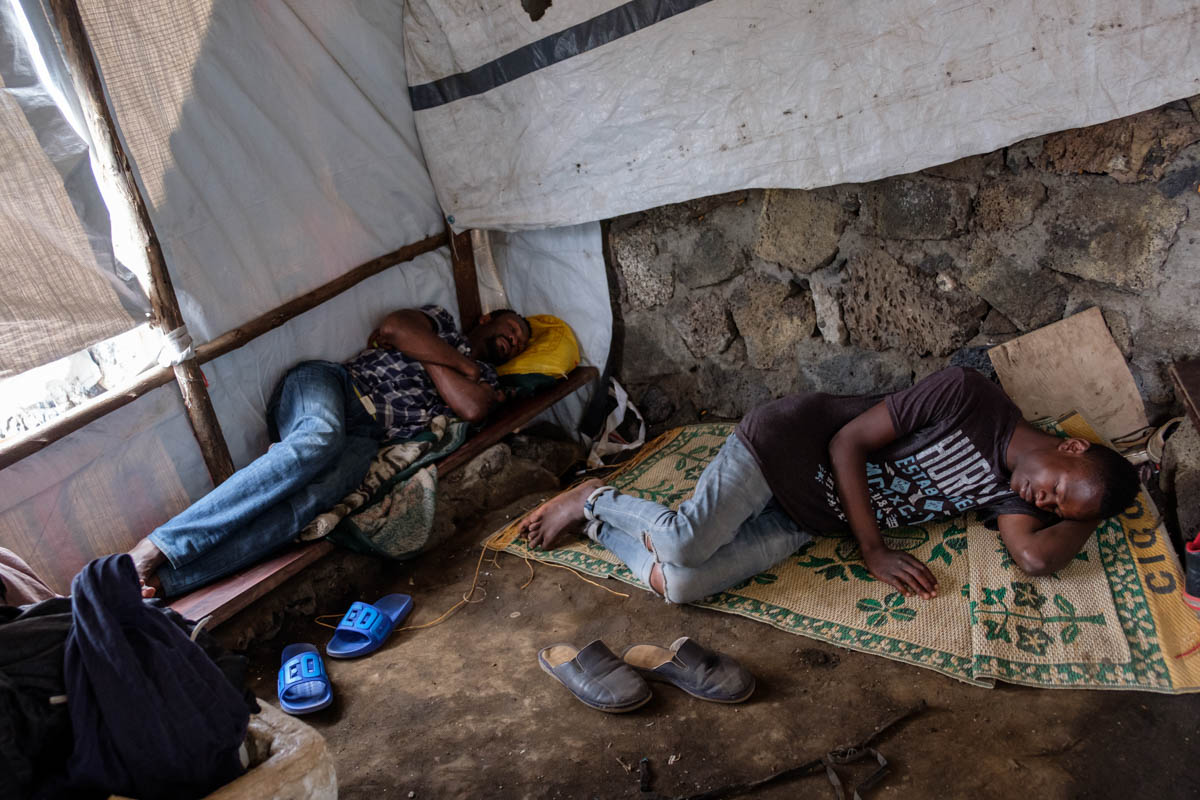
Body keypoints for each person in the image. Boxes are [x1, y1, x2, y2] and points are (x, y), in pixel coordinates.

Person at [522, 367, 1141, 605]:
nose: (1043, 502)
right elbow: (847, 442)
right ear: (1072, 445)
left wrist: (1089, 511)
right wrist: (872, 549)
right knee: (683, 543)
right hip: (782, 449)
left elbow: (1033, 557)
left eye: (1057, 509)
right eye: (1060, 487)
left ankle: (600, 525)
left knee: (681, 586)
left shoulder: (1011, 496)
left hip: (807, 519)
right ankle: (594, 495)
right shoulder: (971, 396)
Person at [130, 304, 531, 597]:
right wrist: (454, 362)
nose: (513, 341)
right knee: (317, 441)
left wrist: (438, 359)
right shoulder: (440, 321)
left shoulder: (487, 378)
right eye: (512, 328)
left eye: (519, 345)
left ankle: (165, 583)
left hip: (367, 434)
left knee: (310, 506)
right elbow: (394, 326)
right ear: (486, 318)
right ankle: (155, 548)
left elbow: (472, 407)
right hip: (333, 385)